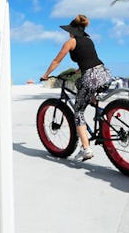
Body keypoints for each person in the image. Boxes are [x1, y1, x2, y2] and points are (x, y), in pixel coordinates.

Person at [40, 14, 112, 162]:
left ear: (72, 31)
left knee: (78, 112)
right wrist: (77, 71)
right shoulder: (89, 40)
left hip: (91, 77)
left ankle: (86, 149)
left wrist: (46, 75)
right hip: (104, 73)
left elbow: (56, 60)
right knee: (80, 84)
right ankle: (100, 112)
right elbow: (90, 60)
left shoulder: (71, 42)